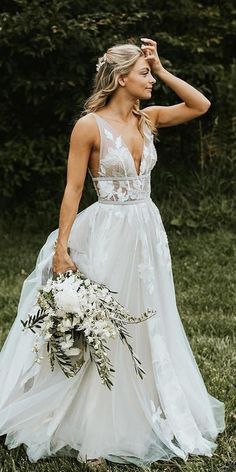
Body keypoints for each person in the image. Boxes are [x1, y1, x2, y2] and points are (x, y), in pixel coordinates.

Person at [0, 38, 225, 470]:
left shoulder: (149, 119)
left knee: (149, 314)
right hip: (106, 231)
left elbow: (200, 105)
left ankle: (147, 405)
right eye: (143, 74)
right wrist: (62, 249)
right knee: (105, 323)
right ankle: (94, 429)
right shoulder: (88, 126)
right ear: (121, 78)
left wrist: (158, 67)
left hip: (146, 231)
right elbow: (73, 189)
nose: (150, 81)